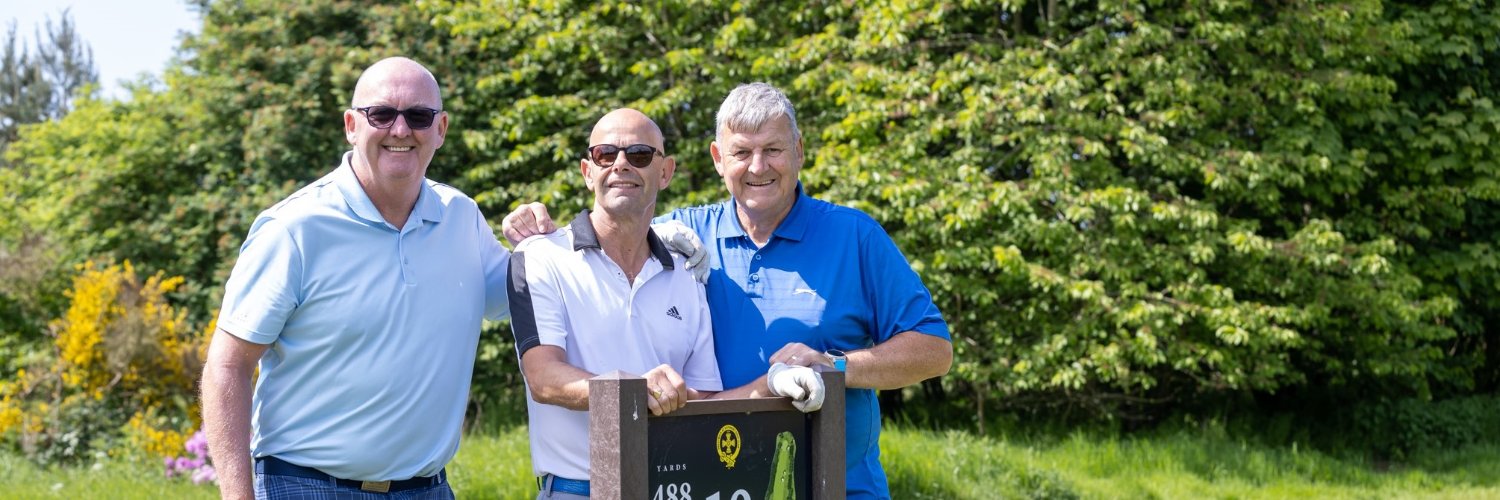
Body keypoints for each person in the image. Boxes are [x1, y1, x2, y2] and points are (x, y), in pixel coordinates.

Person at [504, 83, 953, 499]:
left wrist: (835, 366)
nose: (758, 167)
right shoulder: (686, 237)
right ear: (719, 159)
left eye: (773, 149)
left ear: (798, 151)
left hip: (837, 484)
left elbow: (935, 350)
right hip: (716, 484)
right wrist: (533, 224)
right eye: (742, 152)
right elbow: (616, 216)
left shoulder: (854, 236)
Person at [200, 57, 510, 500]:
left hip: (427, 489)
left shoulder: (462, 218)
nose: (400, 130)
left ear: (441, 129)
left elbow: (523, 298)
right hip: (304, 486)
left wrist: (544, 241)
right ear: (351, 125)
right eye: (381, 114)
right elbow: (227, 366)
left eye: (418, 116)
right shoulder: (295, 229)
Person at [509, 108, 754, 499]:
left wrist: (769, 385)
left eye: (639, 154)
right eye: (606, 154)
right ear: (587, 171)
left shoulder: (687, 272)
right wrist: (637, 390)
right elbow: (543, 378)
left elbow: (703, 396)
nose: (621, 164)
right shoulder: (540, 257)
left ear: (665, 172)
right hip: (579, 490)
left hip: (674, 487)